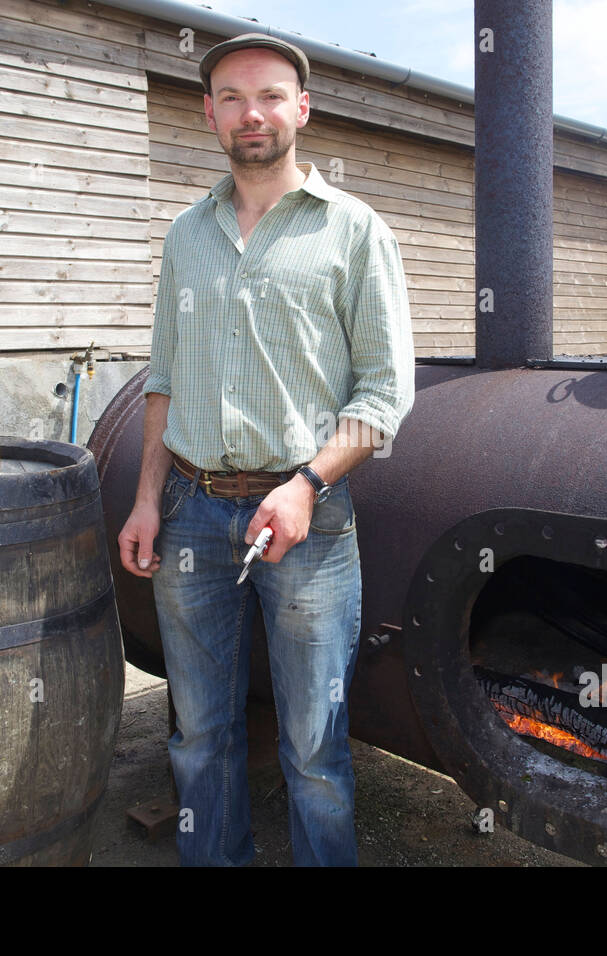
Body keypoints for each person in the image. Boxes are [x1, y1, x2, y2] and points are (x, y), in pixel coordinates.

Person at [117, 32, 415, 866]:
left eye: (273, 95)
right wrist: (146, 500)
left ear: (303, 109)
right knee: (198, 735)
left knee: (314, 750)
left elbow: (385, 396)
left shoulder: (355, 233)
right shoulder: (186, 235)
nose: (254, 112)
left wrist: (307, 483)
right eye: (235, 97)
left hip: (309, 520)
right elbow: (163, 381)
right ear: (210, 114)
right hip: (189, 511)